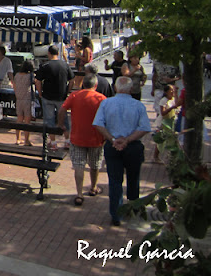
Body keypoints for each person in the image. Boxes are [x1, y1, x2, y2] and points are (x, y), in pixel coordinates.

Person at [92, 76, 152, 226]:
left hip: (113, 145)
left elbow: (98, 124)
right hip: (132, 146)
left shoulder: (106, 103)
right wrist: (128, 139)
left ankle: (116, 214)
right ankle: (133, 207)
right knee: (133, 178)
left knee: (115, 180)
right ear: (131, 89)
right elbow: (145, 127)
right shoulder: (138, 106)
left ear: (116, 87)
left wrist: (112, 139)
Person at [57, 74, 107, 206]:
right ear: (95, 85)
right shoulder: (101, 98)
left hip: (77, 137)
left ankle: (79, 194)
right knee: (95, 164)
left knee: (79, 165)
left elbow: (62, 110)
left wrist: (61, 124)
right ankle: (93, 187)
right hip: (96, 137)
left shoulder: (74, 96)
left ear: (83, 84)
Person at [35, 45, 75, 150]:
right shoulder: (65, 65)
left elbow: (37, 81)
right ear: (58, 53)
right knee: (64, 118)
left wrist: (40, 93)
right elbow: (72, 80)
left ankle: (53, 142)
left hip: (47, 96)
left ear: (49, 53)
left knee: (49, 120)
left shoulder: (45, 66)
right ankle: (67, 141)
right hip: (61, 96)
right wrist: (67, 90)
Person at [152, 84, 180, 162]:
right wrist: (171, 108)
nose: (172, 92)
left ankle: (172, 157)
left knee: (173, 140)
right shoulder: (163, 100)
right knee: (161, 140)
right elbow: (163, 112)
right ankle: (155, 156)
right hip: (164, 123)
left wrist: (176, 94)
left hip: (172, 121)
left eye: (173, 90)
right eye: (171, 90)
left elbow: (177, 104)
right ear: (166, 92)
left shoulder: (173, 98)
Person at [13, 60, 35, 146]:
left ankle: (18, 139)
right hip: (27, 98)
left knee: (19, 119)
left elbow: (14, 86)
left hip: (18, 98)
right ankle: (26, 140)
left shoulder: (17, 75)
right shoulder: (30, 76)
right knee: (27, 120)